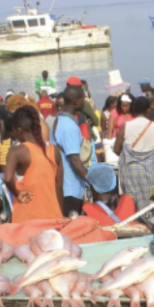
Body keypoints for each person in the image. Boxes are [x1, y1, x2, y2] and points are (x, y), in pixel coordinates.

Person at [4, 105, 64, 223]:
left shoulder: (16, 151)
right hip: (54, 216)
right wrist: (60, 215)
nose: (13, 135)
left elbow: (8, 178)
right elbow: (59, 186)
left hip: (27, 218)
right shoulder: (54, 150)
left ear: (19, 130)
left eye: (13, 131)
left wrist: (17, 192)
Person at [114, 96, 154, 210]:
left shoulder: (125, 127)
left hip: (131, 173)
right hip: (153, 172)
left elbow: (116, 150)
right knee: (153, 204)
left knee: (134, 206)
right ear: (148, 110)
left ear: (133, 110)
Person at [53, 86, 89, 216]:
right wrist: (92, 182)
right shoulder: (69, 126)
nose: (84, 102)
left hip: (64, 186)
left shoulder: (60, 120)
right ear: (75, 101)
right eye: (83, 99)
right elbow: (74, 159)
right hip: (70, 188)